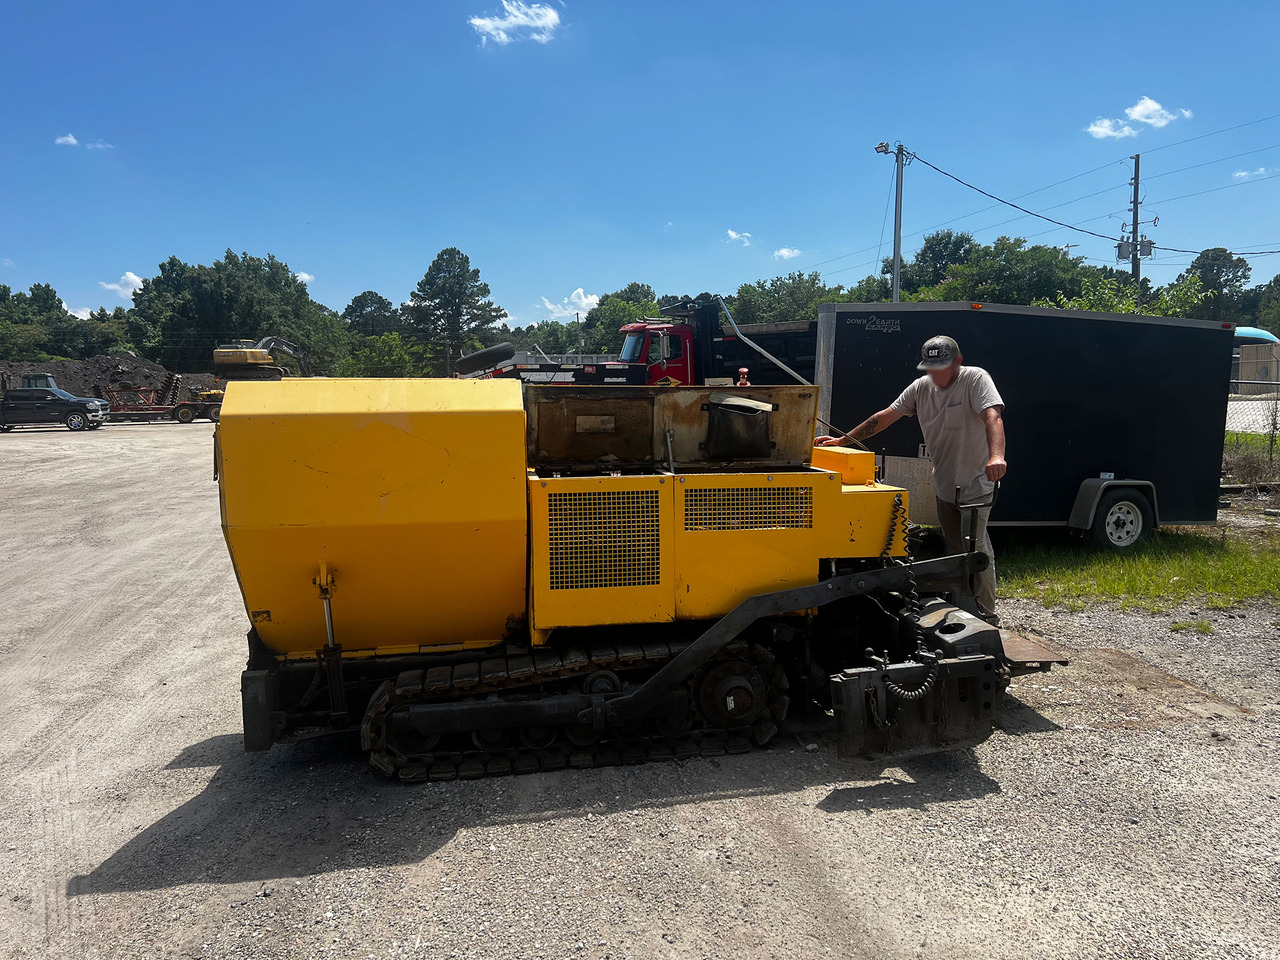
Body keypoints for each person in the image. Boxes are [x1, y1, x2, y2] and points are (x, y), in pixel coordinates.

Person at [816, 335, 1006, 622]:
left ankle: (987, 614)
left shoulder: (975, 379)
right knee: (954, 551)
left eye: (942, 366)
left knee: (976, 549)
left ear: (957, 362)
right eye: (931, 367)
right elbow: (884, 417)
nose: (936, 373)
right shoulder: (921, 388)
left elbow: (993, 416)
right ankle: (965, 609)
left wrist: (996, 456)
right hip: (944, 485)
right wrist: (844, 440)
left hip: (976, 482)